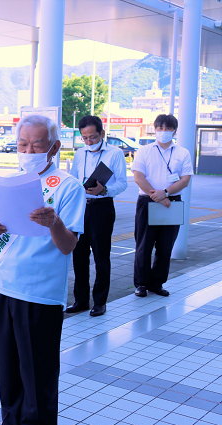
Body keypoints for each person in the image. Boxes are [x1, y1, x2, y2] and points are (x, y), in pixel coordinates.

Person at [0, 114, 85, 425]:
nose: (28, 151)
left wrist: (54, 223)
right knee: (8, 374)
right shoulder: (8, 182)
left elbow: (68, 245)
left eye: (36, 145)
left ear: (54, 147)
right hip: (1, 288)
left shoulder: (68, 186)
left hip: (39, 295)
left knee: (37, 379)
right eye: (22, 144)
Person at [68, 115, 127, 316]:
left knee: (101, 255)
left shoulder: (115, 153)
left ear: (102, 133)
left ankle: (100, 301)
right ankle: (81, 300)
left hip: (102, 207)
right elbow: (74, 180)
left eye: (92, 137)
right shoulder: (79, 154)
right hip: (81, 207)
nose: (89, 142)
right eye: (84, 138)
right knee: (79, 255)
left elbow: (123, 183)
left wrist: (104, 189)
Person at [132, 114, 192, 297]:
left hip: (171, 202)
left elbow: (185, 180)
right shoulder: (144, 150)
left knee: (166, 246)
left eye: (167, 128)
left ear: (175, 130)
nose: (163, 132)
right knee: (144, 244)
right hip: (148, 200)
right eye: (160, 128)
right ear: (155, 129)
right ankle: (141, 284)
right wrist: (156, 195)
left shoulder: (182, 152)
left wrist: (165, 193)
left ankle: (156, 283)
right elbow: (138, 177)